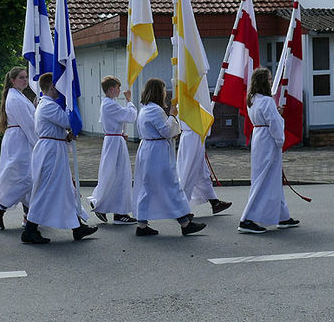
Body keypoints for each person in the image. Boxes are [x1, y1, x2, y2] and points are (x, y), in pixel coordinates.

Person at [22, 73, 97, 244]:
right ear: (52, 86)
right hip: (50, 152)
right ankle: (30, 229)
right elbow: (66, 120)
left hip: (55, 148)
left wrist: (66, 136)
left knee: (66, 189)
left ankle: (77, 227)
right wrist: (71, 106)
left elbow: (57, 127)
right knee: (47, 189)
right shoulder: (48, 105)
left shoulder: (47, 104)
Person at [131, 78, 206, 237]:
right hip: (157, 153)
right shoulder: (155, 111)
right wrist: (172, 117)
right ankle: (185, 223)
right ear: (159, 92)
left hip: (148, 150)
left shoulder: (145, 108)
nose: (166, 93)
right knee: (171, 185)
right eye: (164, 90)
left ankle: (142, 224)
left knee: (148, 187)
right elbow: (167, 131)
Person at [238, 68, 300, 233]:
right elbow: (274, 123)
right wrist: (280, 140)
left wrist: (276, 115)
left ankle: (282, 216)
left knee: (271, 178)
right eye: (270, 79)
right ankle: (247, 219)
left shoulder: (252, 99)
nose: (272, 82)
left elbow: (267, 118)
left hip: (259, 137)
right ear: (264, 82)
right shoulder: (267, 101)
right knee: (265, 179)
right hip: (268, 140)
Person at [0, 67, 37, 230]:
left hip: (20, 138)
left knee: (29, 178)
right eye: (21, 78)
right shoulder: (16, 98)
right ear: (12, 80)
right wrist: (37, 143)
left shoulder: (19, 96)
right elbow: (28, 124)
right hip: (20, 140)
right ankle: (0, 206)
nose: (25, 80)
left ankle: (29, 215)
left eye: (26, 77)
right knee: (23, 178)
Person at [88, 76, 137, 225]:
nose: (120, 90)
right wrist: (129, 101)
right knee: (119, 175)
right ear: (111, 89)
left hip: (115, 139)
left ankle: (115, 209)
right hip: (114, 142)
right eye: (117, 88)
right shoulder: (110, 105)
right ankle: (104, 204)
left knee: (116, 175)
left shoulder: (109, 103)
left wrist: (120, 132)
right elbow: (131, 116)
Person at [176, 119, 232, 216]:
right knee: (189, 172)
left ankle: (214, 202)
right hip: (193, 137)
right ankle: (180, 207)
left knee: (202, 173)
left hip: (195, 136)